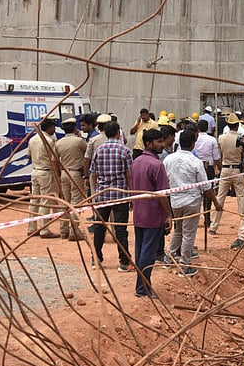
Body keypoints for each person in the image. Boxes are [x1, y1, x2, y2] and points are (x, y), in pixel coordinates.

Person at [130, 129, 173, 297]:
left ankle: (141, 286)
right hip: (152, 215)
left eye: (162, 141)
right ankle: (143, 288)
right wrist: (168, 215)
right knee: (148, 253)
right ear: (149, 144)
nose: (162, 145)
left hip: (139, 213)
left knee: (141, 251)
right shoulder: (157, 165)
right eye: (158, 142)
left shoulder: (137, 161)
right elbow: (162, 194)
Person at [88, 122, 135, 272]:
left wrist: (95, 192)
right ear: (117, 133)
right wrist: (131, 195)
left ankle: (96, 259)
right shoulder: (125, 151)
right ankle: (124, 261)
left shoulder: (98, 150)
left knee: (99, 228)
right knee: (120, 229)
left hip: (102, 196)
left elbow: (93, 173)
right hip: (120, 195)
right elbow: (129, 175)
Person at [161, 129, 207, 276]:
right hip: (191, 202)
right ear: (193, 144)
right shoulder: (196, 162)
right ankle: (185, 265)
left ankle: (169, 257)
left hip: (175, 202)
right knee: (188, 234)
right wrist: (216, 204)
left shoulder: (168, 159)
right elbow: (205, 186)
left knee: (179, 230)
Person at [210, 113, 244, 235]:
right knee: (241, 197)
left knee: (220, 197)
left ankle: (214, 226)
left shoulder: (221, 138)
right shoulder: (240, 138)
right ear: (237, 125)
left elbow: (219, 153)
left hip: (225, 169)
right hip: (237, 169)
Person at [27, 115, 60, 238]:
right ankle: (44, 229)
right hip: (46, 173)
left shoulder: (32, 139)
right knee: (45, 201)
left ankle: (32, 228)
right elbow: (54, 160)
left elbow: (28, 156)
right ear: (50, 127)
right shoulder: (50, 141)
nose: (54, 130)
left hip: (35, 171)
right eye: (53, 127)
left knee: (34, 200)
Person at [54, 117, 88, 240]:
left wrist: (58, 174)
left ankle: (64, 230)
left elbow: (54, 161)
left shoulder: (58, 142)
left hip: (64, 173)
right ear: (75, 128)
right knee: (75, 203)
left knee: (65, 202)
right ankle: (74, 231)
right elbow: (87, 153)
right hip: (75, 173)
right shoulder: (79, 141)